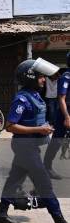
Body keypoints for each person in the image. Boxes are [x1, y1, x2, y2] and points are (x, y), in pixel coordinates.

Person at [0, 58, 70, 223]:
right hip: (25, 147)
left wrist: (42, 128)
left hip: (30, 146)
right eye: (41, 77)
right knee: (45, 187)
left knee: (14, 180)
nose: (44, 80)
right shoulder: (22, 99)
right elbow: (10, 126)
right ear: (30, 77)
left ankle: (1, 214)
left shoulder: (35, 95)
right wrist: (39, 129)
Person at [43, 51, 70, 179]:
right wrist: (67, 117)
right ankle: (47, 167)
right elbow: (61, 99)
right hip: (65, 114)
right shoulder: (66, 77)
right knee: (57, 141)